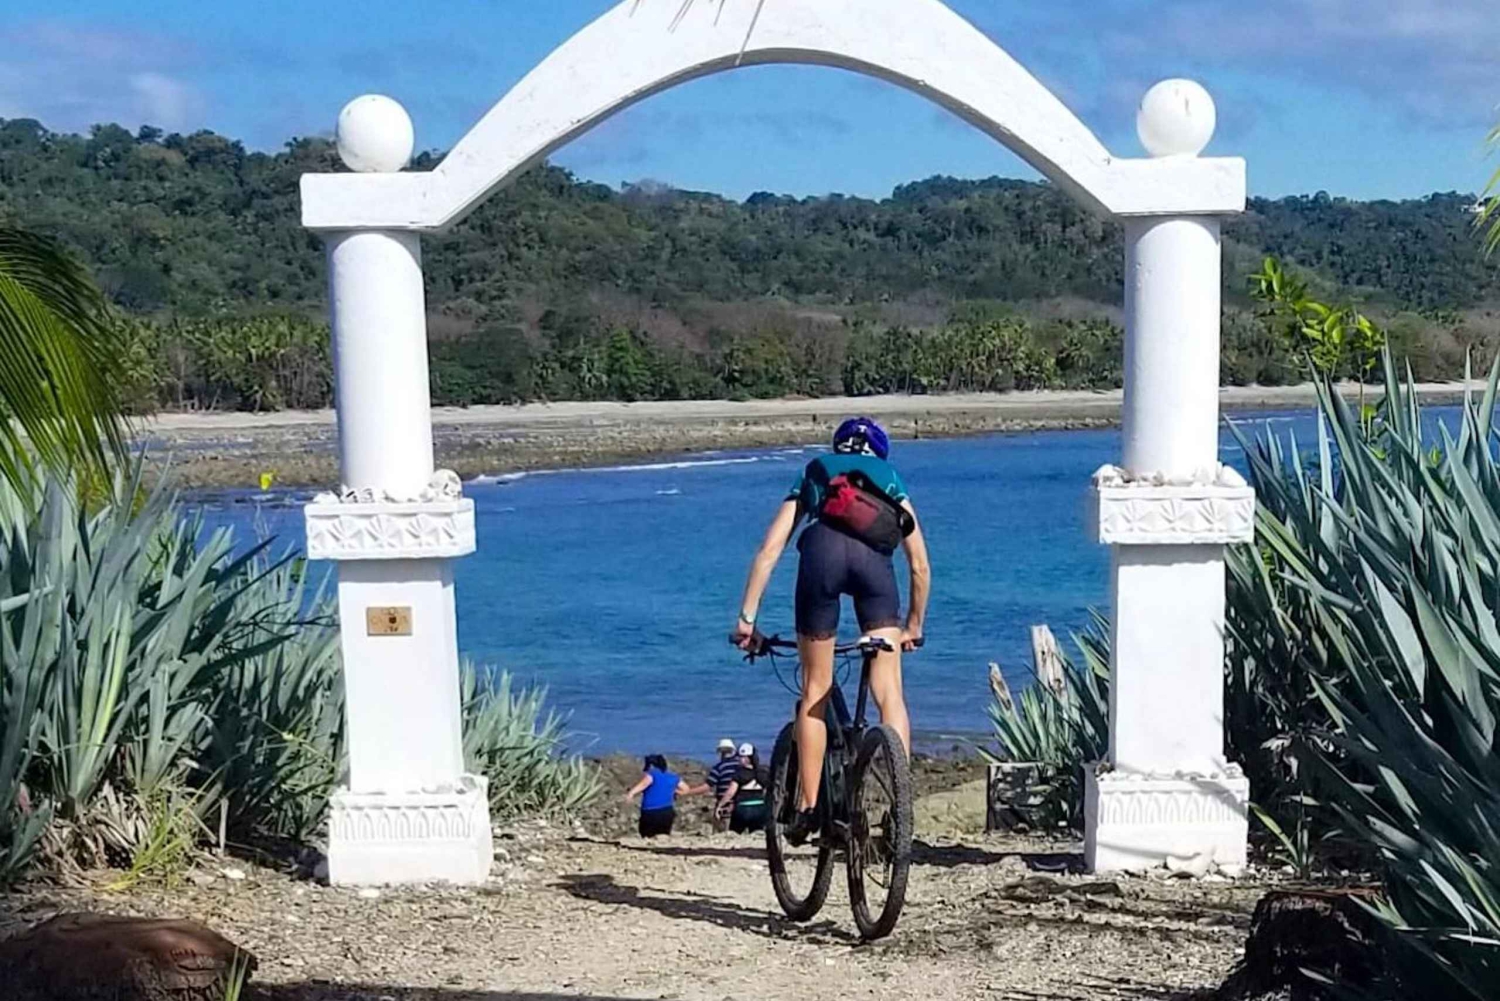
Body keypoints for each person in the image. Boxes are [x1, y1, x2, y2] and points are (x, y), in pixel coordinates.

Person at [731, 416, 931, 845]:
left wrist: (747, 621)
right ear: (878, 451)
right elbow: (918, 564)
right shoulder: (890, 477)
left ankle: (806, 809)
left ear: (838, 445)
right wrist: (913, 625)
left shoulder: (815, 470)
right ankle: (899, 805)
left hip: (820, 560)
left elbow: (770, 550)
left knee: (815, 687)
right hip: (875, 571)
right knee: (889, 693)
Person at [624, 754, 689, 838]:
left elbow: (642, 785)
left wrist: (631, 793)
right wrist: (674, 792)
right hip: (667, 810)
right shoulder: (673, 777)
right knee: (663, 834)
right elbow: (686, 789)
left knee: (647, 834)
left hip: (651, 811)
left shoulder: (652, 775)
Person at [716, 742, 769, 834]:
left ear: (746, 759)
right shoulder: (762, 773)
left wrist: (720, 805)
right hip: (760, 808)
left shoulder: (739, 774)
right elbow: (768, 791)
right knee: (757, 833)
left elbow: (730, 793)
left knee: (735, 832)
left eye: (741, 757)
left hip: (742, 808)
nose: (739, 759)